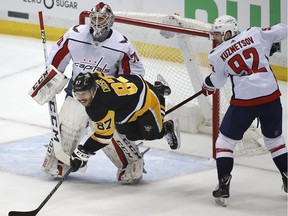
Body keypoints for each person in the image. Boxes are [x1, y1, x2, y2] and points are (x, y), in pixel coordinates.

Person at [39, 2, 150, 184]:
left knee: (109, 133)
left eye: (102, 18)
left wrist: (122, 99)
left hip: (107, 98)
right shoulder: (75, 35)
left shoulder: (121, 45)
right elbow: (56, 60)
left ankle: (132, 163)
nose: (97, 23)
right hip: (78, 92)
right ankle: (60, 162)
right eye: (95, 18)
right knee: (68, 126)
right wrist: (52, 78)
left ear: (110, 20)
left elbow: (134, 76)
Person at [202, 15, 288, 203]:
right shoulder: (256, 33)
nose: (215, 38)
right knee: (275, 140)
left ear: (229, 32)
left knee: (224, 143)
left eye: (218, 34)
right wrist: (268, 41)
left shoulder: (216, 54)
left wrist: (206, 84)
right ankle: (287, 175)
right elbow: (283, 29)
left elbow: (217, 81)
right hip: (271, 97)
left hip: (245, 102)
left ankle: (223, 184)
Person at [69, 72, 181, 173]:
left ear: (93, 89)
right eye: (78, 94)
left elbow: (105, 136)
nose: (81, 98)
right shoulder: (94, 80)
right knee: (130, 135)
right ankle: (157, 92)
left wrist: (86, 150)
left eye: (84, 94)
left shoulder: (99, 106)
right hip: (129, 95)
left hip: (146, 98)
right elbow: (99, 74)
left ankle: (161, 98)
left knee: (153, 134)